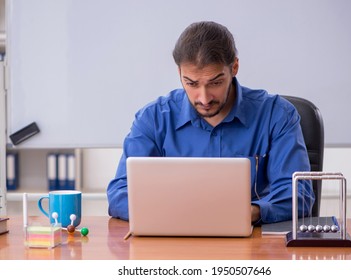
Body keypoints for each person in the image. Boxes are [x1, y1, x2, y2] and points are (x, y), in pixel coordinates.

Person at [107, 21, 314, 225]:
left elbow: (299, 195)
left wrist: (249, 212)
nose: (204, 98)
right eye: (192, 83)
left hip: (252, 245)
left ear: (234, 67)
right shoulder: (153, 119)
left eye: (215, 83)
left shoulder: (277, 115)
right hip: (172, 244)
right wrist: (182, 214)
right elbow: (120, 193)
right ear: (179, 73)